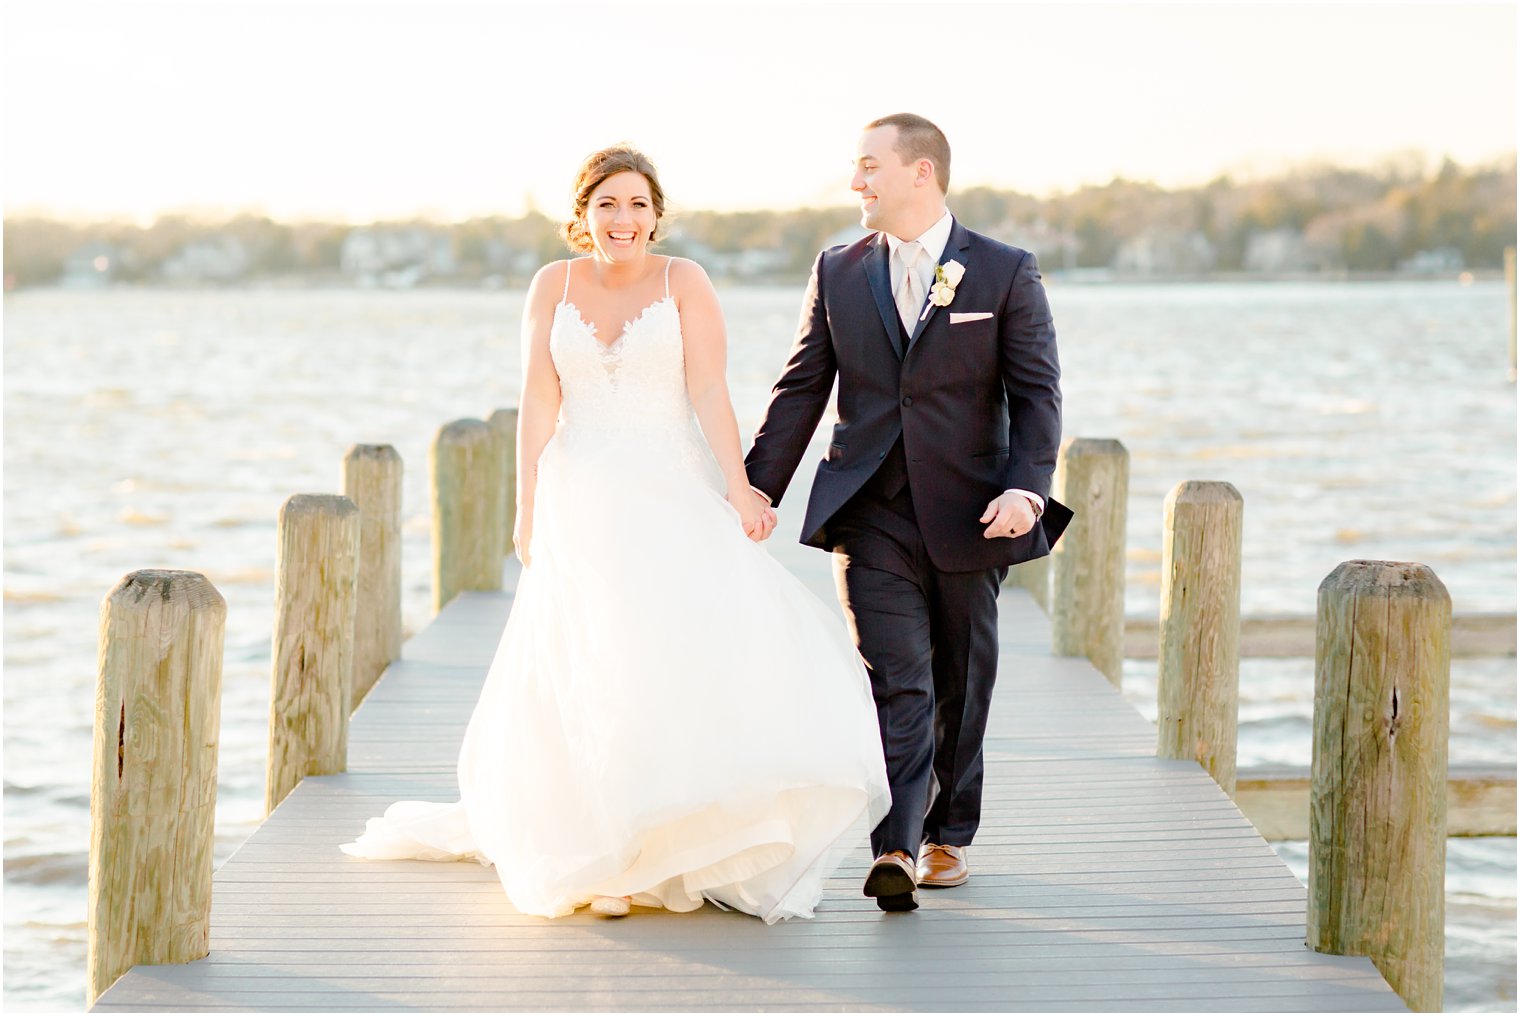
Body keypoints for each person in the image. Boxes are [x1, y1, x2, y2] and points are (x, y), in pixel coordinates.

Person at [341, 145, 890, 923]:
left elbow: (708, 388)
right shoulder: (552, 284)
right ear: (582, 214)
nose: (622, 219)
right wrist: (526, 506)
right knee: (590, 665)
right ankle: (606, 858)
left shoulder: (684, 281)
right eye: (607, 204)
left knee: (664, 658)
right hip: (580, 494)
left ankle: (666, 840)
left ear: (656, 214)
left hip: (669, 490)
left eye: (636, 205)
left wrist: (741, 489)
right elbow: (537, 397)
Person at [744, 113, 1069, 913]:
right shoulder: (837, 269)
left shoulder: (1003, 271)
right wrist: (753, 490)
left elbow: (1037, 395)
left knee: (962, 679)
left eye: (868, 167)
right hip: (869, 512)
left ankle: (947, 835)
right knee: (897, 680)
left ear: (920, 173)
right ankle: (893, 844)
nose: (856, 183)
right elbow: (800, 390)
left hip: (972, 513)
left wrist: (1026, 489)